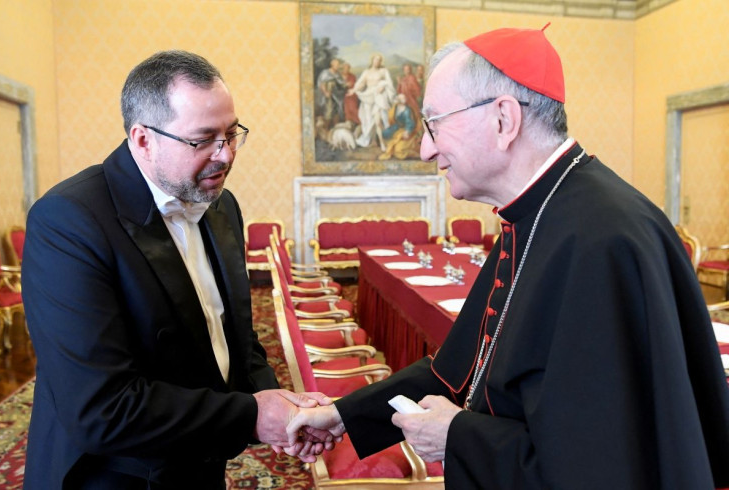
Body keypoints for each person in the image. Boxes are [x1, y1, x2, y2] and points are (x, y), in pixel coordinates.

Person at [287, 26, 729, 488]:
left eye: (435, 123)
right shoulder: (534, 214)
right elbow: (464, 371)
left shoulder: (603, 240)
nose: (425, 149)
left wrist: (457, 434)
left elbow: (599, 464)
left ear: (503, 119)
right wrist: (343, 415)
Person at [21, 50, 335, 489]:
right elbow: (103, 410)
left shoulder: (221, 204)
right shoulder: (69, 221)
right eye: (203, 139)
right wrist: (254, 416)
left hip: (200, 457)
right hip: (116, 475)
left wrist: (284, 406)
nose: (225, 155)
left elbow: (232, 336)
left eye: (231, 133)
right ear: (143, 139)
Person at [352, 53, 395, 151]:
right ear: (372, 60)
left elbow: (389, 83)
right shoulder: (366, 72)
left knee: (378, 121)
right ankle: (373, 141)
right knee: (368, 121)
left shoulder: (383, 71)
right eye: (376, 59)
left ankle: (382, 142)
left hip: (379, 98)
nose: (377, 61)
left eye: (379, 60)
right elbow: (361, 83)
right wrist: (353, 90)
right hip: (368, 98)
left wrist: (383, 86)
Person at [378, 93, 419, 161]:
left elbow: (410, 122)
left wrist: (407, 131)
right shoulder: (395, 107)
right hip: (396, 127)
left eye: (404, 98)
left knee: (399, 149)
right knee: (385, 133)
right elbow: (389, 116)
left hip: (404, 130)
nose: (404, 100)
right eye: (401, 99)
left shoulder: (407, 110)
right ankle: (389, 147)